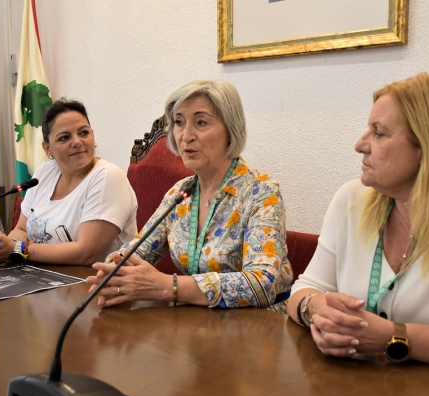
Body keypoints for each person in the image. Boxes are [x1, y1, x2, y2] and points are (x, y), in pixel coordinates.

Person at [287, 72, 429, 370]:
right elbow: (305, 287)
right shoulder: (352, 198)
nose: (360, 144)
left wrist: (393, 338)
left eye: (379, 133)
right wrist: (317, 311)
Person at [88, 79, 293, 308]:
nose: (186, 135)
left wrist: (169, 286)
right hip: (192, 321)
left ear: (231, 129)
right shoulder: (180, 193)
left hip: (257, 327)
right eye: (178, 123)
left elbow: (262, 284)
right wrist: (112, 269)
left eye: (201, 122)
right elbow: (136, 253)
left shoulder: (261, 191)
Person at [0, 98, 138, 266]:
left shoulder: (108, 176)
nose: (77, 142)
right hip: (42, 275)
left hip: (93, 283)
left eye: (83, 133)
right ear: (47, 148)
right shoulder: (44, 172)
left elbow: (85, 253)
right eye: (64, 137)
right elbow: (21, 230)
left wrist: (16, 249)